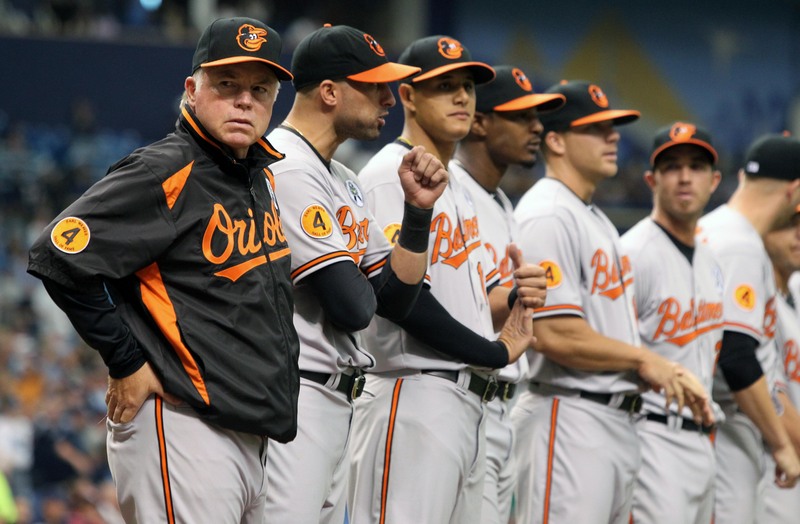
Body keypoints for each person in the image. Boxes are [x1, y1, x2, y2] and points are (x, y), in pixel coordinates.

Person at [27, 17, 299, 523]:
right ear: (191, 89)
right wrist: (125, 360)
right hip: (184, 427)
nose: (244, 101)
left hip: (248, 437)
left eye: (259, 90)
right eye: (227, 85)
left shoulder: (253, 177)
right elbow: (58, 254)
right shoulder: (165, 169)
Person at [348, 36, 546, 524]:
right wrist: (495, 351)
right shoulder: (388, 174)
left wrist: (514, 298)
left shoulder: (456, 186)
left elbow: (468, 300)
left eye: (467, 86)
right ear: (409, 96)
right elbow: (403, 300)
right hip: (411, 391)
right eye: (444, 86)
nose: (461, 96)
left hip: (464, 402)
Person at [262, 24, 449, 524]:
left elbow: (396, 301)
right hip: (295, 397)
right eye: (374, 86)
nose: (389, 99)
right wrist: (373, 285)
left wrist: (417, 213)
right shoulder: (288, 166)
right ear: (329, 92)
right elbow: (353, 306)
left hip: (333, 398)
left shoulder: (342, 178)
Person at [510, 80, 713, 524]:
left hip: (612, 421)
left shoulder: (593, 216)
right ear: (556, 141)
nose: (613, 137)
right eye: (597, 129)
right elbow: (551, 333)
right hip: (568, 414)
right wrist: (645, 359)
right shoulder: (548, 212)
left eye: (614, 127)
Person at [450, 64, 564, 524]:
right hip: (453, 398)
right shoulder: (447, 190)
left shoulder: (501, 202)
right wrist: (514, 296)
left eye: (537, 116)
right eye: (520, 117)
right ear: (480, 121)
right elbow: (442, 306)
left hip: (496, 407)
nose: (537, 126)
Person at [620, 122, 722, 523]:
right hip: (652, 434)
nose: (684, 177)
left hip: (704, 440)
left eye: (695, 166)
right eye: (672, 166)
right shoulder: (631, 252)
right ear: (652, 179)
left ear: (714, 181)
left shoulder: (713, 261)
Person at [697, 133, 800, 523]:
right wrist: (781, 442)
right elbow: (737, 356)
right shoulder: (739, 243)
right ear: (794, 190)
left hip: (708, 424)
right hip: (722, 429)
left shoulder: (715, 227)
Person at [762, 211, 800, 521]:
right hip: (773, 466)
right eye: (789, 225)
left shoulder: (796, 290)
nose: (798, 234)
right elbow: (772, 397)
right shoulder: (757, 302)